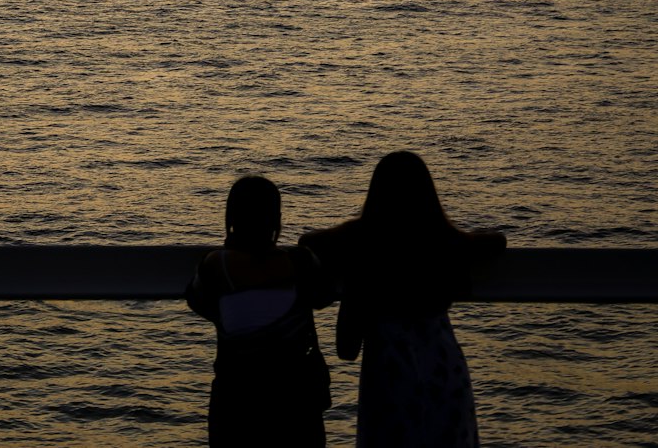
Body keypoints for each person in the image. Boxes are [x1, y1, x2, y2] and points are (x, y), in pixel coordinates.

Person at [302, 151, 506, 448]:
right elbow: (497, 242)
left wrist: (354, 232)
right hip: (443, 373)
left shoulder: (363, 245)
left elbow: (309, 242)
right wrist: (456, 234)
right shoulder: (443, 242)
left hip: (389, 379)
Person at [186, 174, 334, 446]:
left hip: (236, 401)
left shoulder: (214, 266)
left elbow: (198, 302)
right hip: (296, 403)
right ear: (276, 219)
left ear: (231, 218)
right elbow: (325, 295)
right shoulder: (301, 262)